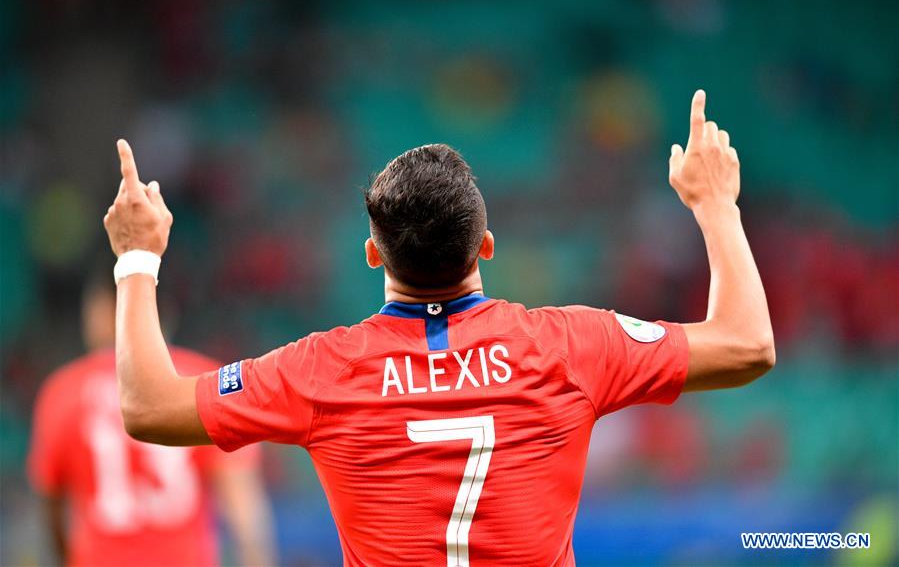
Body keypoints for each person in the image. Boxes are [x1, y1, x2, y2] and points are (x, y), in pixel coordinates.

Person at [101, 89, 774, 566]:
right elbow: (747, 344)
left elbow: (147, 406)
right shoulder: (569, 346)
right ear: (485, 245)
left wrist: (137, 256)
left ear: (373, 254)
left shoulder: (322, 370)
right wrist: (715, 203)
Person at [27, 271, 277, 567]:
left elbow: (51, 510)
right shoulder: (207, 381)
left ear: (103, 309)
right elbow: (246, 519)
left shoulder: (63, 392)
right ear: (162, 310)